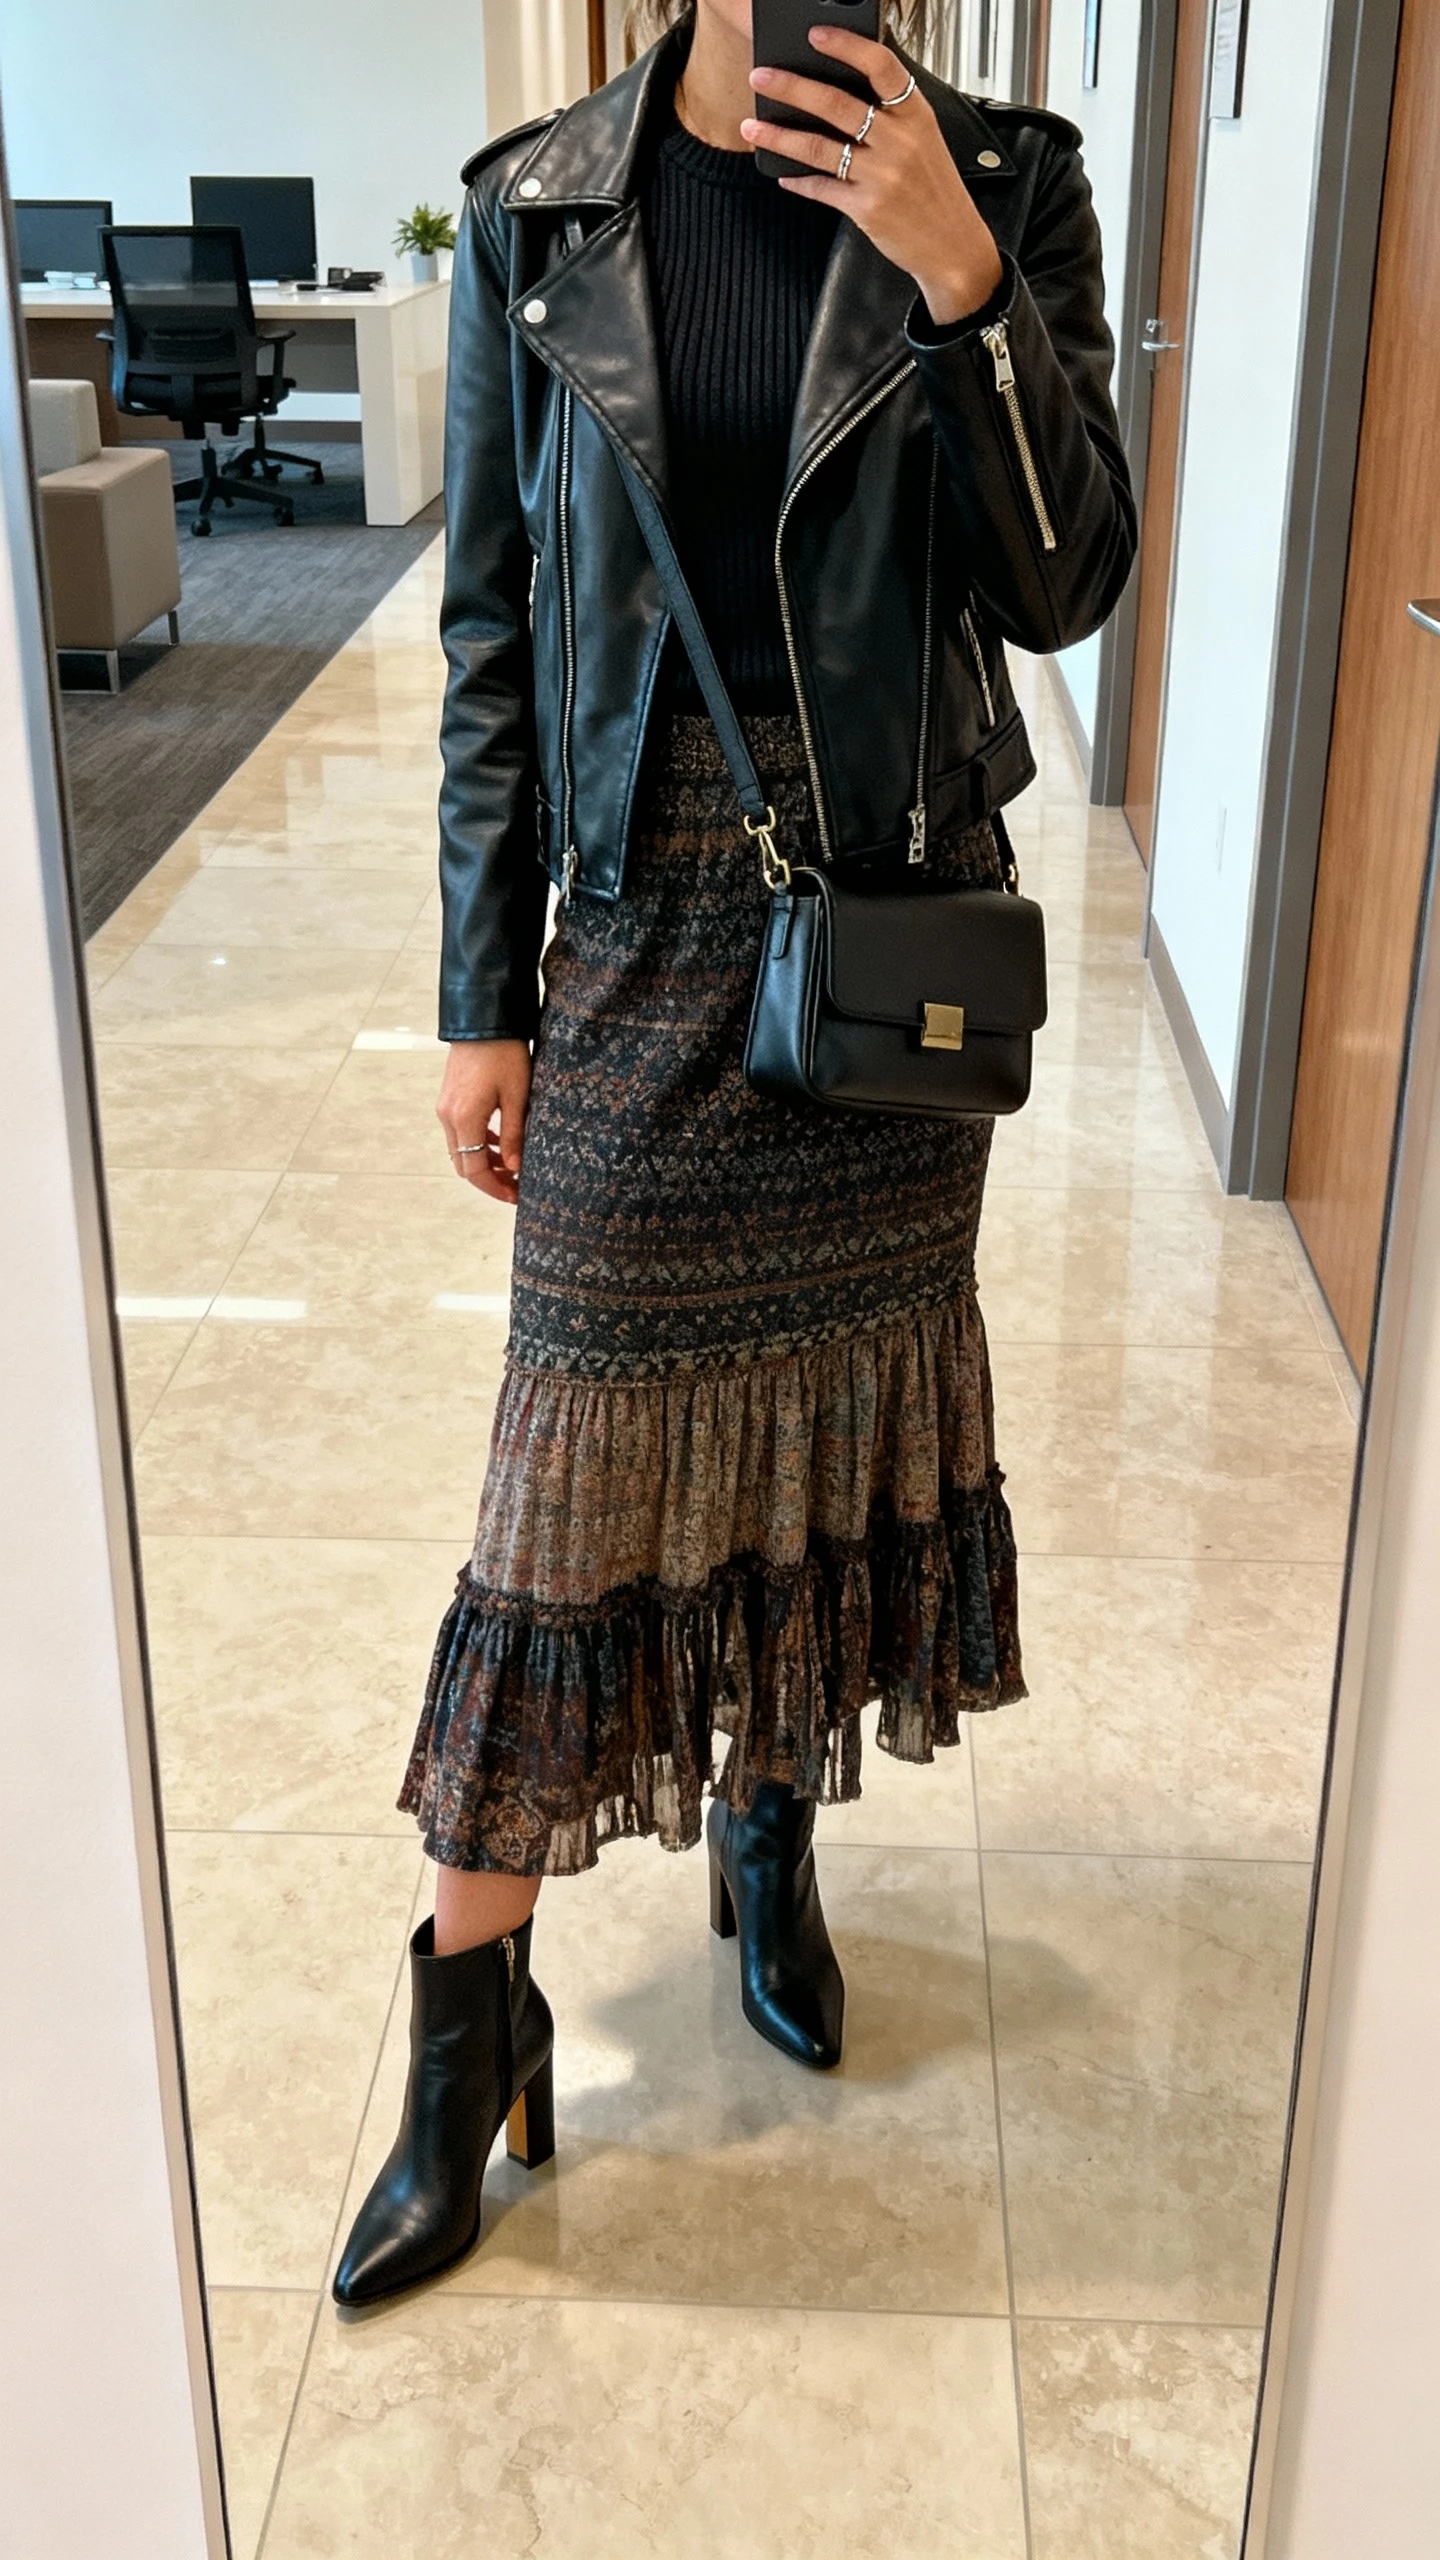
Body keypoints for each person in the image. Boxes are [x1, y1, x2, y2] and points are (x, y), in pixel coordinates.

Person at [333, 0, 1134, 2308]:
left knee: (821, 1442)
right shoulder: (535, 212)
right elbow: (491, 627)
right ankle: (465, 2022)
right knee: (558, 1479)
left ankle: (768, 1833)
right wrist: (484, 986)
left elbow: (1068, 579)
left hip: (879, 945)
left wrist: (967, 288)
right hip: (636, 933)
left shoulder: (1010, 182)